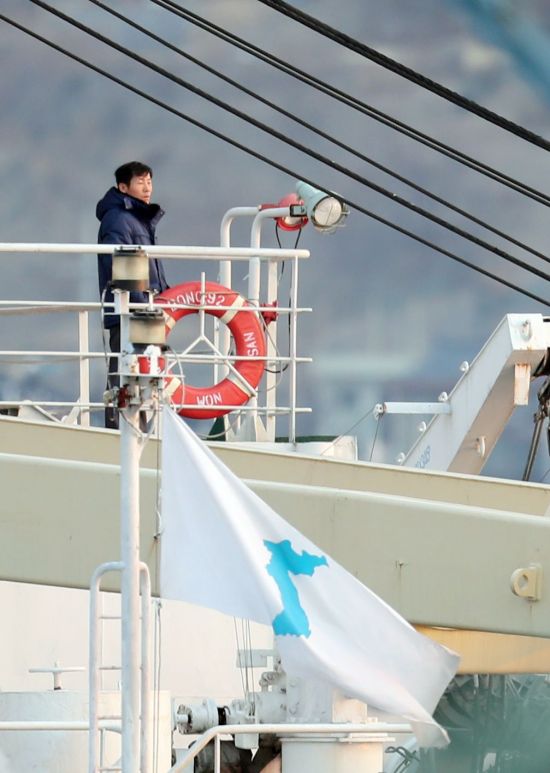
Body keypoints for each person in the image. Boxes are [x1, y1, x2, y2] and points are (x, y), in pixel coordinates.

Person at [96, 161, 169, 429]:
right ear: (123, 187)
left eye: (149, 181)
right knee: (124, 373)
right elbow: (118, 266)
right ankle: (118, 430)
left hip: (142, 311)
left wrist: (165, 295)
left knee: (139, 374)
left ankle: (136, 428)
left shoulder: (137, 218)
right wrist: (142, 304)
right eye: (140, 182)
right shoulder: (118, 219)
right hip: (128, 313)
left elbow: (150, 267)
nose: (147, 188)